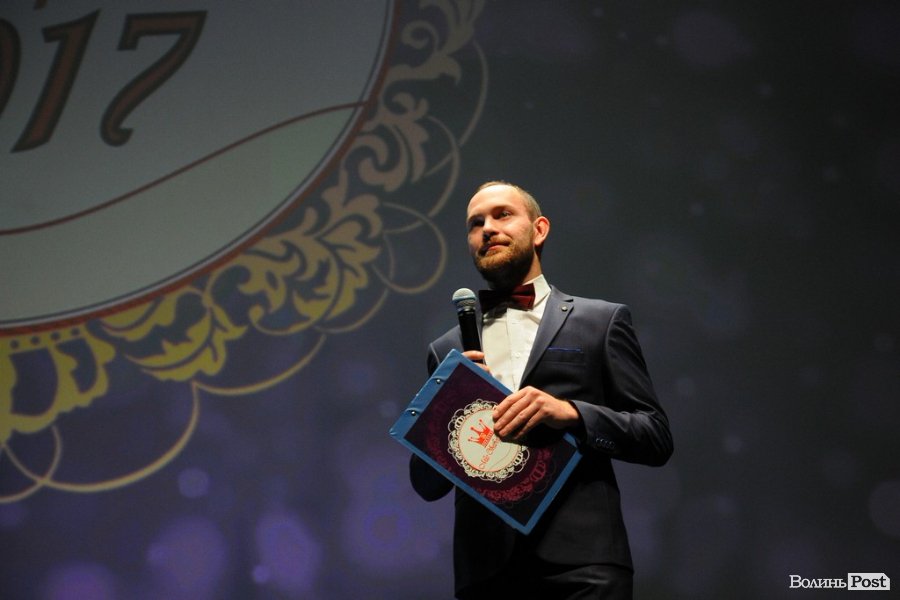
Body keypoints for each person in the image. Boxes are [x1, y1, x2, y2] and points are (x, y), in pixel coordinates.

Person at [409, 181, 674, 599]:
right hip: (487, 574)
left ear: (539, 230)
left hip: (583, 566)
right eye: (475, 223)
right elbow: (427, 485)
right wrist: (445, 410)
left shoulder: (600, 322)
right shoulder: (446, 349)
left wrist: (570, 413)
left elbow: (654, 436)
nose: (487, 228)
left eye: (502, 214)